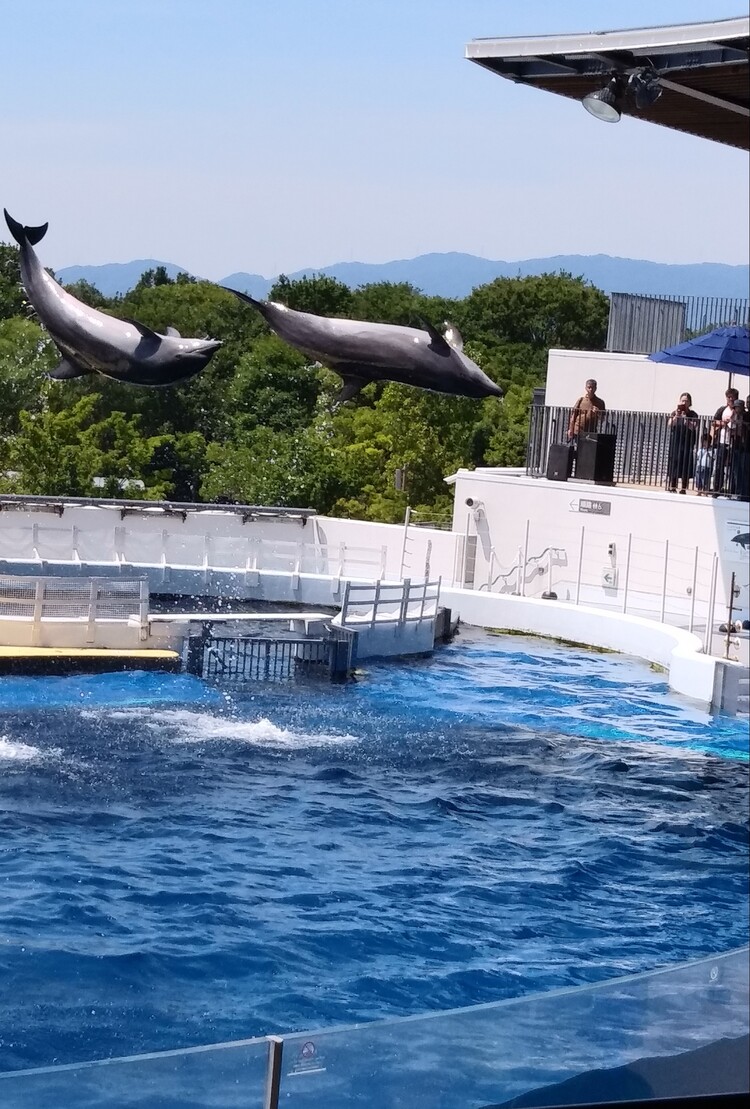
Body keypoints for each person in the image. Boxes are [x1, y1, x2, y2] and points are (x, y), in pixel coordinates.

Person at [665, 391, 698, 493]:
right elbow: (670, 424)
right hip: (676, 441)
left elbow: (694, 427)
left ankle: (683, 488)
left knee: (685, 464)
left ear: (690, 403)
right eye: (683, 400)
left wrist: (686, 419)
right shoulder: (675, 412)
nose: (684, 403)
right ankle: (673, 486)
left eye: (686, 401)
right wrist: (676, 417)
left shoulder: (693, 414)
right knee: (674, 463)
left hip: (687, 442)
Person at [711, 387, 740, 495]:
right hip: (722, 441)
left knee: (733, 468)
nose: (731, 399)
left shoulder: (739, 411)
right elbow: (714, 422)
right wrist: (723, 422)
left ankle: (732, 490)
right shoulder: (722, 410)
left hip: (734, 442)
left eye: (733, 397)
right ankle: (717, 489)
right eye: (729, 397)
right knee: (719, 466)